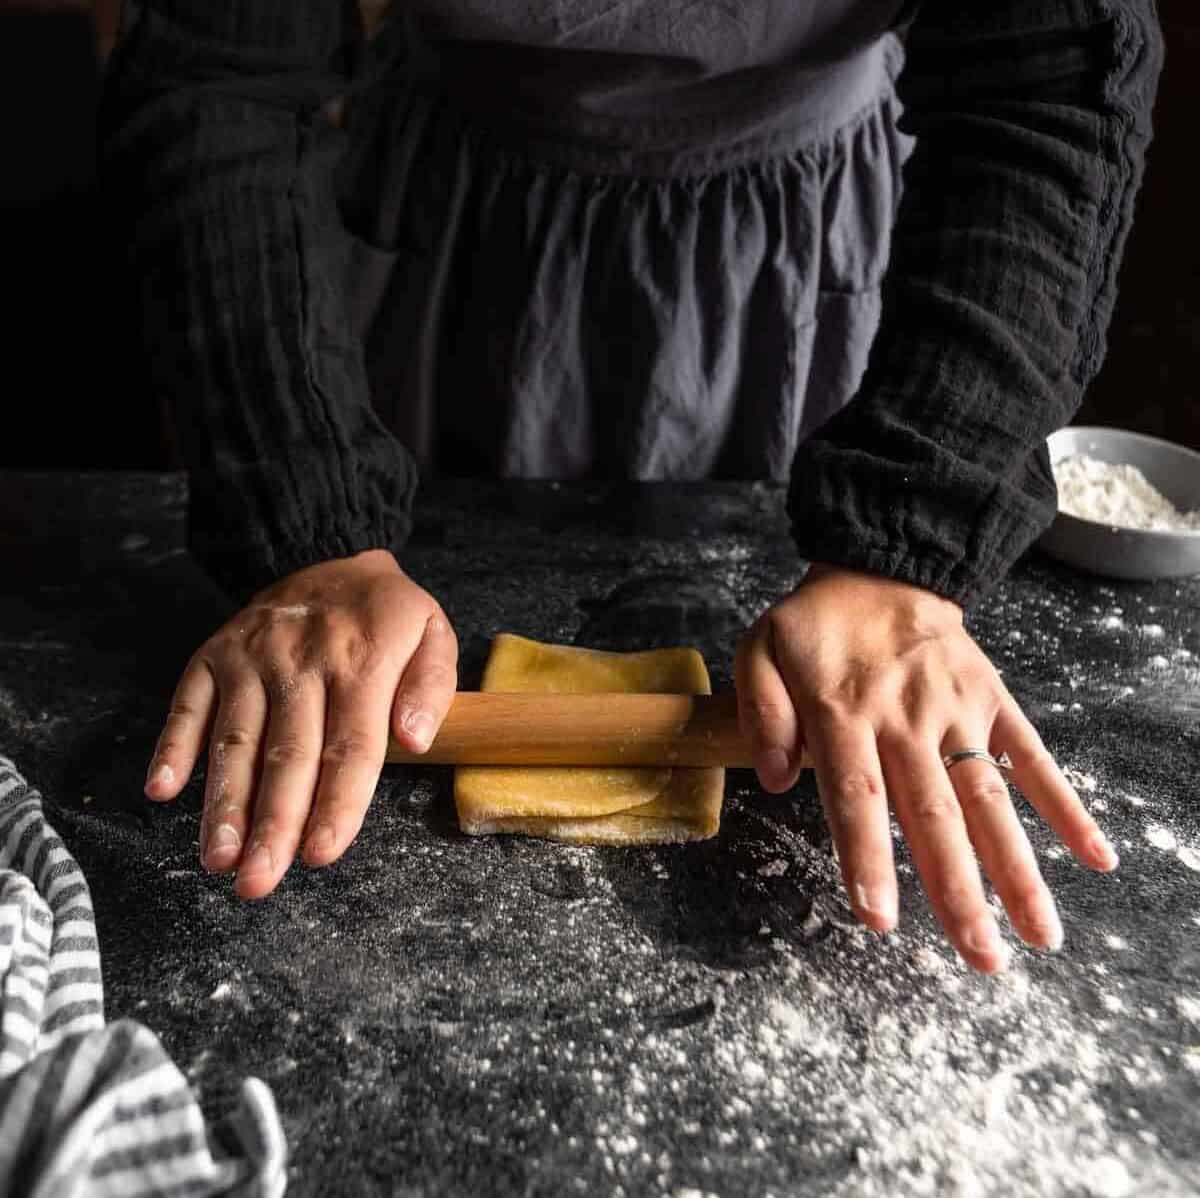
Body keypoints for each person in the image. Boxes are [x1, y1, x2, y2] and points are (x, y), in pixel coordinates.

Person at [101, 1, 1162, 974]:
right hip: (455, 236)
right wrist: (309, 518)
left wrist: (907, 542)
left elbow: (1046, 79)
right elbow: (218, 73)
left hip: (815, 245)